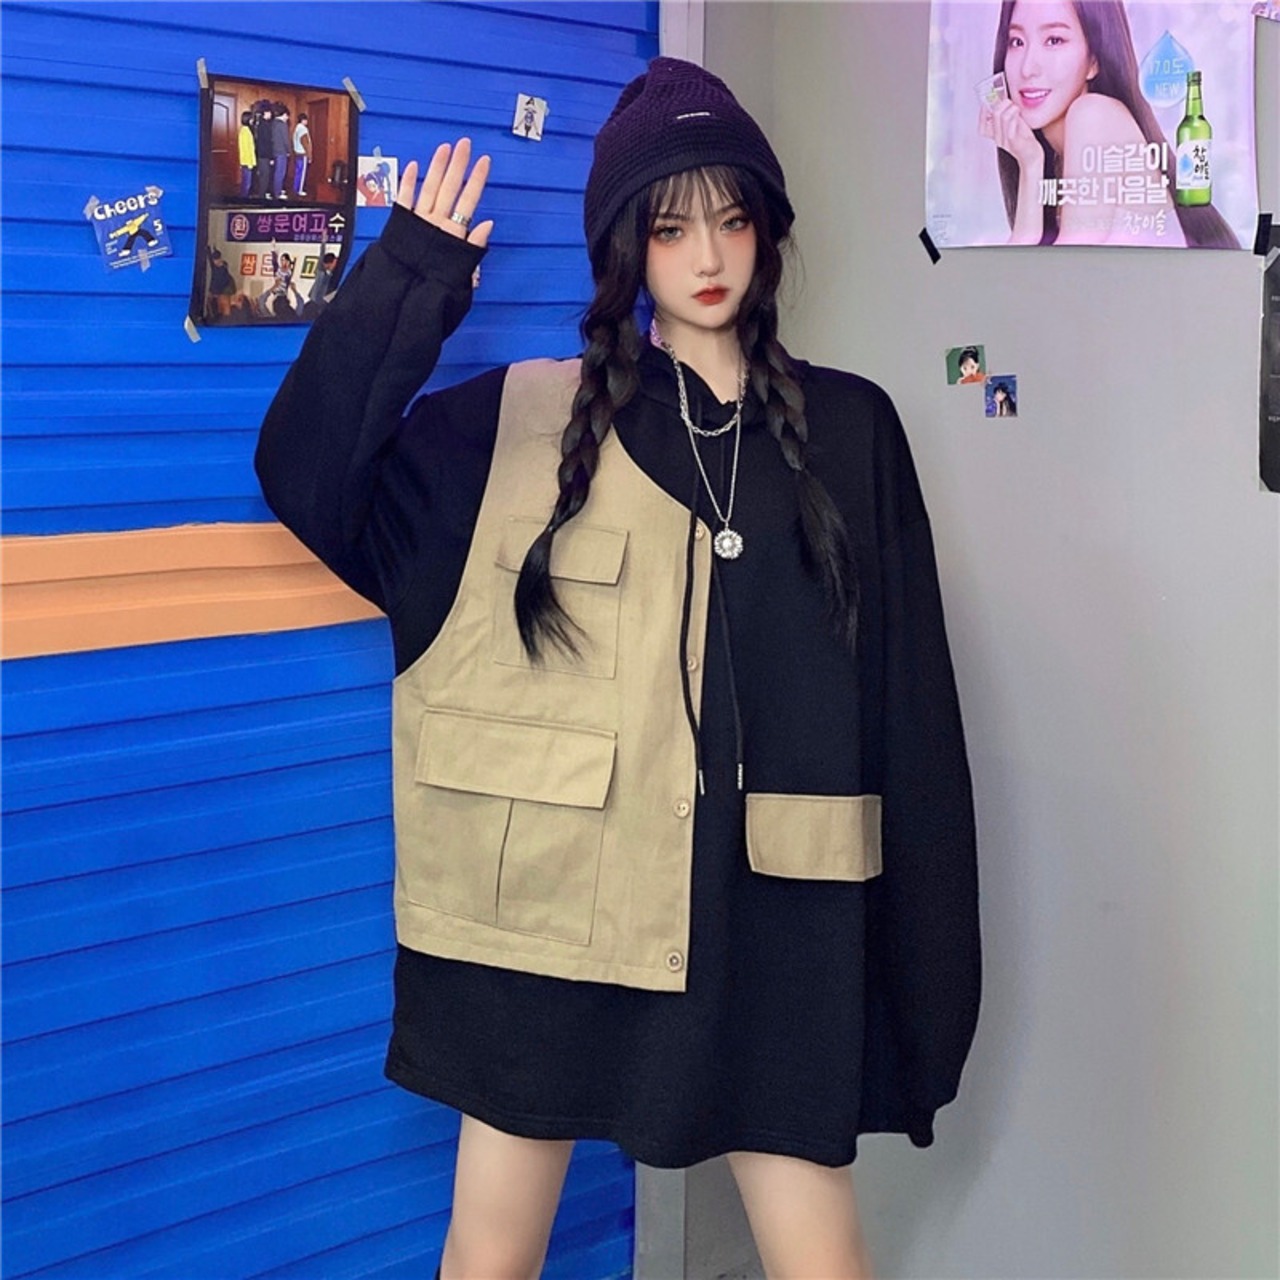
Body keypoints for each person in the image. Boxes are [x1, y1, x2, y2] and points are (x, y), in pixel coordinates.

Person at [256, 57, 981, 1280]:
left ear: (767, 229)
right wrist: (414, 274)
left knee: (824, 1259)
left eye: (731, 218)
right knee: (490, 1252)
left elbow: (911, 716)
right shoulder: (517, 426)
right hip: (552, 920)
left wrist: (925, 975)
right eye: (668, 226)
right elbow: (308, 474)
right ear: (623, 247)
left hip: (774, 930)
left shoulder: (851, 428)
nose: (708, 255)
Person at [980, 0, 1239, 247]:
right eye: (1016, 42)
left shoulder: (1094, 115)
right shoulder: (1059, 160)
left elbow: (1057, 272)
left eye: (1054, 40)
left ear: (1094, 60)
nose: (1027, 68)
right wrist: (1030, 163)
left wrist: (1031, 168)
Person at [238, 110, 256, 199]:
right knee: (247, 183)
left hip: (245, 161)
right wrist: (249, 163)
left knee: (245, 182)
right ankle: (244, 199)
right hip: (247, 161)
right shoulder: (245, 131)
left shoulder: (245, 130)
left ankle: (243, 197)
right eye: (251, 118)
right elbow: (246, 149)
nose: (253, 120)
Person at [292, 112, 311, 197]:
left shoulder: (296, 128)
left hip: (297, 153)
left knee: (297, 172)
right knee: (302, 173)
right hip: (303, 154)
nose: (307, 122)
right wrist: (309, 155)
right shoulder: (303, 129)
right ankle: (300, 190)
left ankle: (295, 188)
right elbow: (306, 143)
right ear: (303, 120)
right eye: (306, 120)